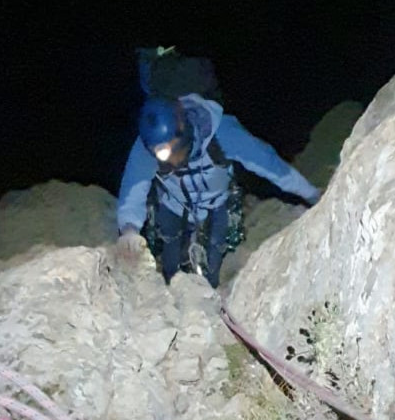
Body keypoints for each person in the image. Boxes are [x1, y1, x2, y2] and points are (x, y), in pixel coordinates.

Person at [116, 91, 321, 289]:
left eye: (174, 152)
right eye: (161, 156)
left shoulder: (222, 132)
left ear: (184, 132)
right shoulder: (146, 149)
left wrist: (311, 194)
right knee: (172, 267)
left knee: (214, 265)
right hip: (174, 206)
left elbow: (271, 166)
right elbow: (133, 190)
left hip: (216, 203)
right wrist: (129, 229)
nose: (171, 162)